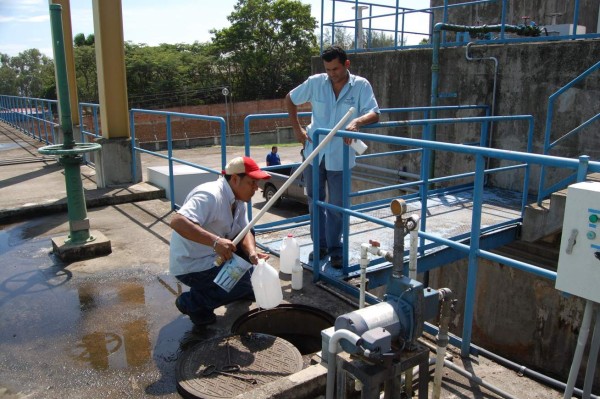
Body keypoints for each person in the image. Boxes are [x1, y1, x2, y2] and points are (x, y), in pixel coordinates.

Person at [285, 45, 380, 269]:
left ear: (346, 64)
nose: (331, 74)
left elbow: (374, 112)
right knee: (314, 202)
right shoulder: (316, 82)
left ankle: (336, 248)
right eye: (328, 69)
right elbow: (290, 98)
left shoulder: (360, 85)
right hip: (314, 153)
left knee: (337, 205)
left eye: (335, 69)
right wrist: (297, 129)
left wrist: (357, 122)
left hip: (341, 156)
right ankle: (320, 246)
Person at [169, 156, 271, 326]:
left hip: (215, 257)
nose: (256, 188)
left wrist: (252, 253)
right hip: (192, 266)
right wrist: (216, 242)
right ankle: (193, 302)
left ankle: (234, 287)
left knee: (249, 236)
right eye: (252, 183)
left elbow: (244, 232)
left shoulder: (238, 201)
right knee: (242, 284)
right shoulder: (210, 195)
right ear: (235, 179)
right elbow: (177, 222)